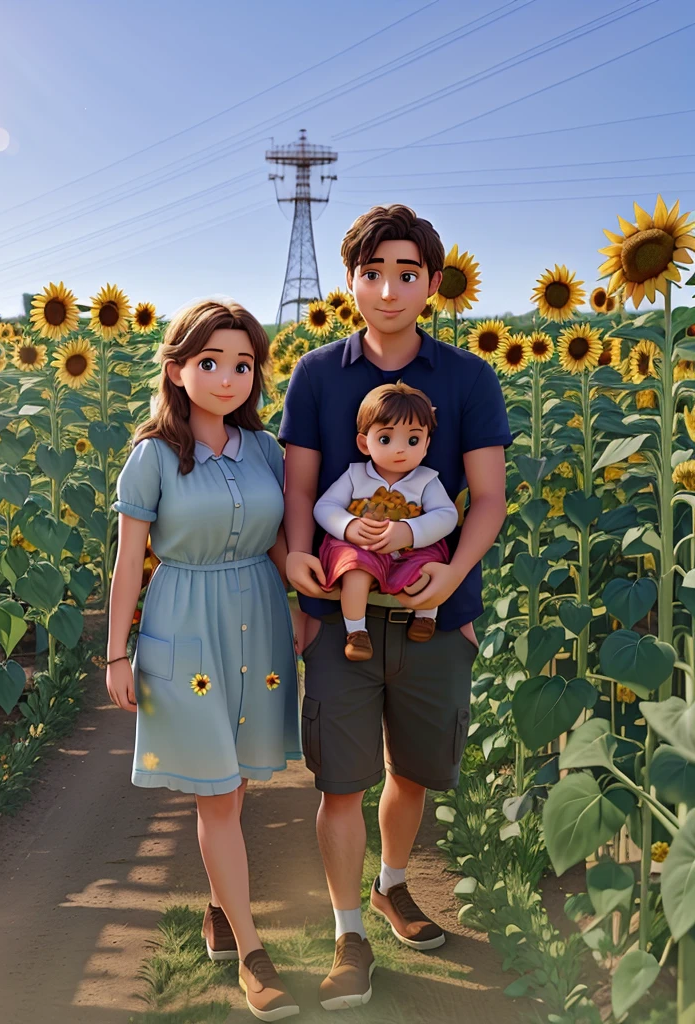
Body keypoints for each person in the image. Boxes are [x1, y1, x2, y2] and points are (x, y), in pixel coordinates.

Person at [279, 204, 512, 1011]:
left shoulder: (468, 377)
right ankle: (350, 934)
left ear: (432, 284)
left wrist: (454, 581)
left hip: (435, 614)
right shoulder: (317, 375)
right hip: (340, 611)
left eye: (406, 274)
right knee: (340, 780)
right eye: (372, 274)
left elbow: (485, 498)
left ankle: (391, 884)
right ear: (349, 282)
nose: (388, 290)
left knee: (412, 770)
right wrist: (295, 570)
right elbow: (301, 492)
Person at [106, 299, 301, 1021]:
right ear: (178, 368)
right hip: (183, 624)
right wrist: (116, 652)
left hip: (258, 618)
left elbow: (282, 536)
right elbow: (130, 562)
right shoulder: (153, 456)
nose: (227, 378)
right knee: (216, 792)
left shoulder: (267, 449)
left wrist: (309, 604)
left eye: (242, 364)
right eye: (210, 362)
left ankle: (221, 911)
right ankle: (252, 951)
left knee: (240, 779)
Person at [314, 381, 458, 659]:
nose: (400, 449)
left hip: (412, 550)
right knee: (354, 574)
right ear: (363, 443)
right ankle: (356, 632)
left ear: (427, 445)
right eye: (385, 439)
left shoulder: (426, 480)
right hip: (362, 547)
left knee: (428, 572)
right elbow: (325, 506)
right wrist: (349, 526)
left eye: (413, 440)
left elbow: (446, 515)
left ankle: (426, 615)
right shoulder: (356, 475)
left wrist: (410, 531)